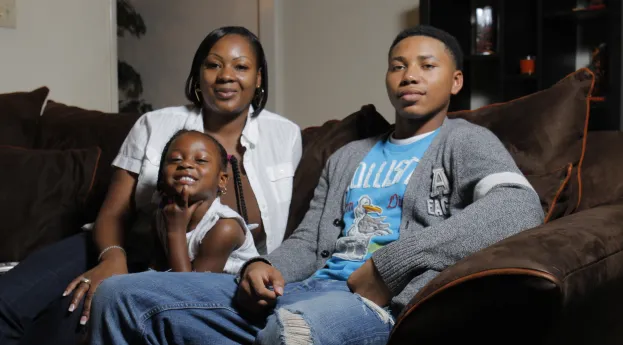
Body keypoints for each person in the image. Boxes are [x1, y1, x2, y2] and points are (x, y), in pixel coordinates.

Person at [89, 25, 544, 345]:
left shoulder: (465, 141)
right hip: (301, 290)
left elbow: (518, 206)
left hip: (371, 304)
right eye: (398, 66)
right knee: (119, 295)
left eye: (427, 66)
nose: (410, 76)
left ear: (456, 81)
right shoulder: (348, 156)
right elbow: (309, 240)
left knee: (292, 331)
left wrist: (391, 265)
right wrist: (262, 267)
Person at [0, 26, 301, 345]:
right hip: (125, 245)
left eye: (241, 66)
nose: (226, 75)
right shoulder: (155, 125)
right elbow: (114, 212)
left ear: (258, 78)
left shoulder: (284, 136)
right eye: (213, 65)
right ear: (198, 75)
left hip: (204, 272)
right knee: (9, 303)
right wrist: (112, 258)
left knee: (70, 324)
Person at [151, 130, 259, 274]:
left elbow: (189, 291)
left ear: (221, 180)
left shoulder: (224, 227)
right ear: (162, 174)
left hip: (226, 293)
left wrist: (175, 232)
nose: (186, 164)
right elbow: (157, 271)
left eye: (200, 160)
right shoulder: (162, 214)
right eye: (176, 159)